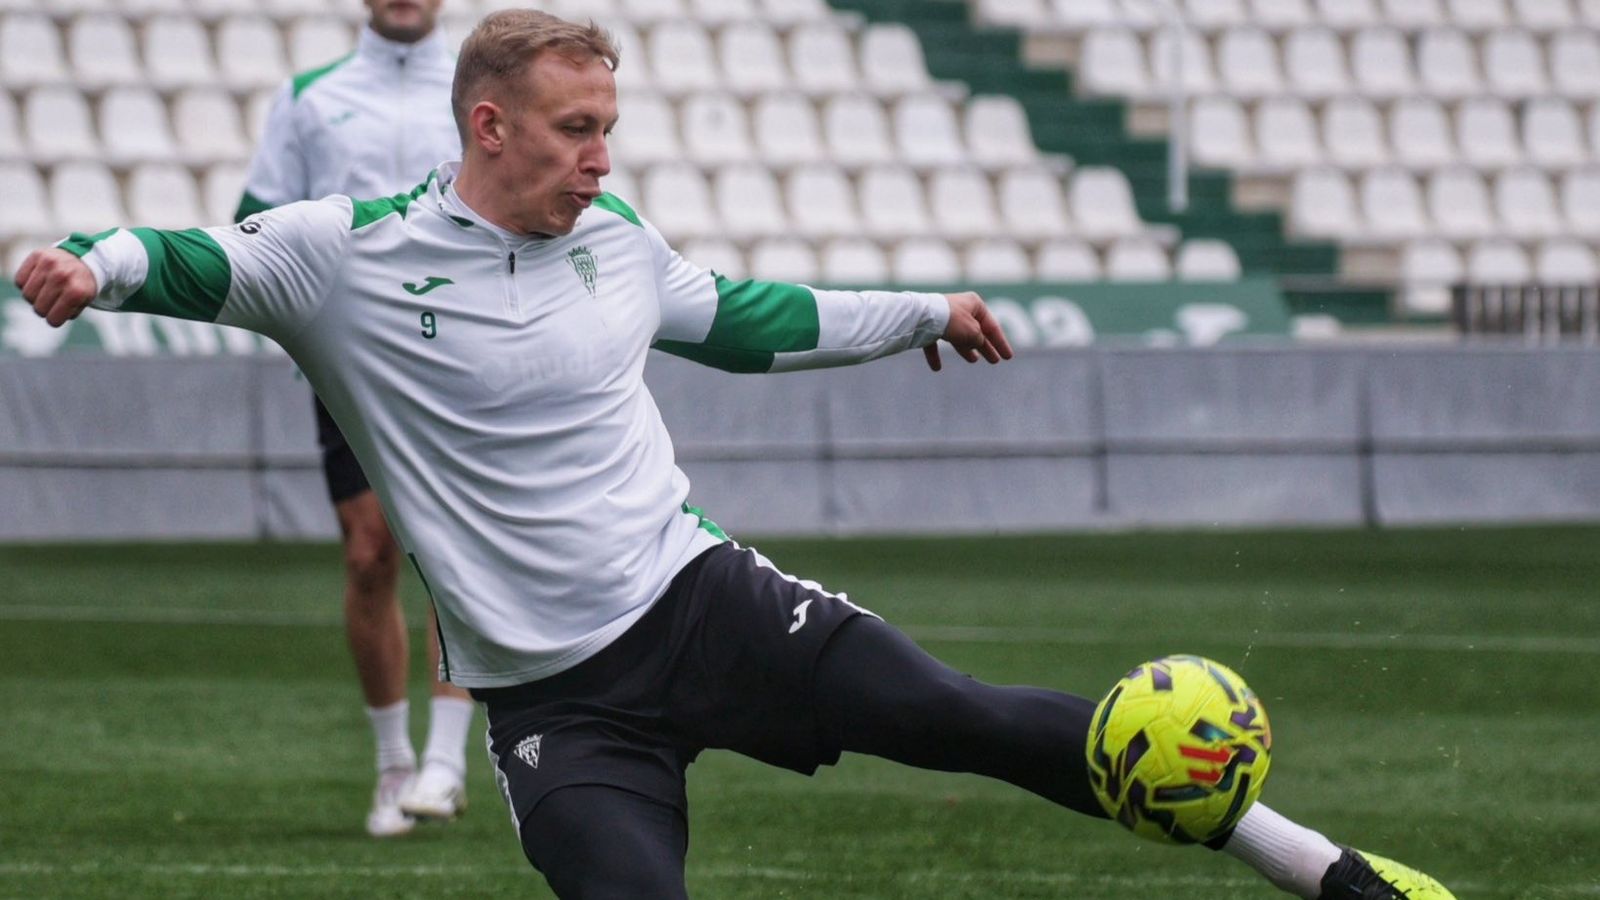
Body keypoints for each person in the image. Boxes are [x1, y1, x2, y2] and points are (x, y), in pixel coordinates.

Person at [15, 10, 1456, 899]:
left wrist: (919, 314)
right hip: (553, 706)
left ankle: (1316, 868)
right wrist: (88, 265)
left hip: (705, 602)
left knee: (978, 720)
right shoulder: (347, 260)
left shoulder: (619, 242)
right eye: (577, 131)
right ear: (489, 124)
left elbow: (749, 317)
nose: (600, 156)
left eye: (611, 129)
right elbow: (184, 254)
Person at [235, 0, 474, 837]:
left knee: (459, 549)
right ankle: (393, 765)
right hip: (353, 355)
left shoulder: (483, 84)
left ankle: (446, 760)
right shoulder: (310, 96)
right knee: (371, 554)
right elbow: (256, 220)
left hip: (467, 348)